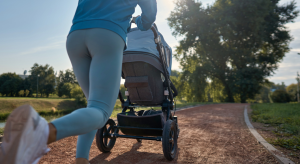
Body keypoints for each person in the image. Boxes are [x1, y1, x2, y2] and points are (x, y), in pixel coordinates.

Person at [0, 0, 157, 164]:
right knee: (100, 111)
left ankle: (81, 159)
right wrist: (138, 21)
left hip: (75, 36)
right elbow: (149, 15)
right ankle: (40, 133)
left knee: (93, 107)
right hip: (107, 35)